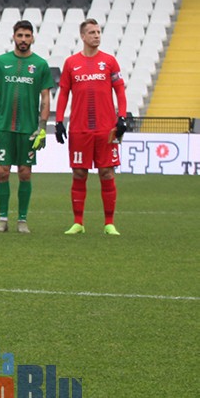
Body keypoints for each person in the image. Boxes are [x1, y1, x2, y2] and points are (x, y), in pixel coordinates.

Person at [54, 18, 128, 236]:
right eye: (92, 32)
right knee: (79, 173)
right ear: (83, 36)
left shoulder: (110, 61)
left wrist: (122, 118)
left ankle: (109, 223)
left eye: (98, 32)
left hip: (106, 129)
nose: (96, 35)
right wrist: (59, 121)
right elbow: (64, 93)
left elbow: (120, 91)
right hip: (79, 128)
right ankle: (78, 222)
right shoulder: (71, 63)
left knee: (106, 172)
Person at [0, 20, 54, 234]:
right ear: (14, 37)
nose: (23, 40)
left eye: (27, 36)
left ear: (33, 38)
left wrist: (42, 127)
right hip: (4, 127)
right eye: (20, 35)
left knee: (25, 173)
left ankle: (22, 220)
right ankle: (2, 219)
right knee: (2, 172)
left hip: (28, 129)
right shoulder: (1, 62)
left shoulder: (40, 64)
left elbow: (45, 98)